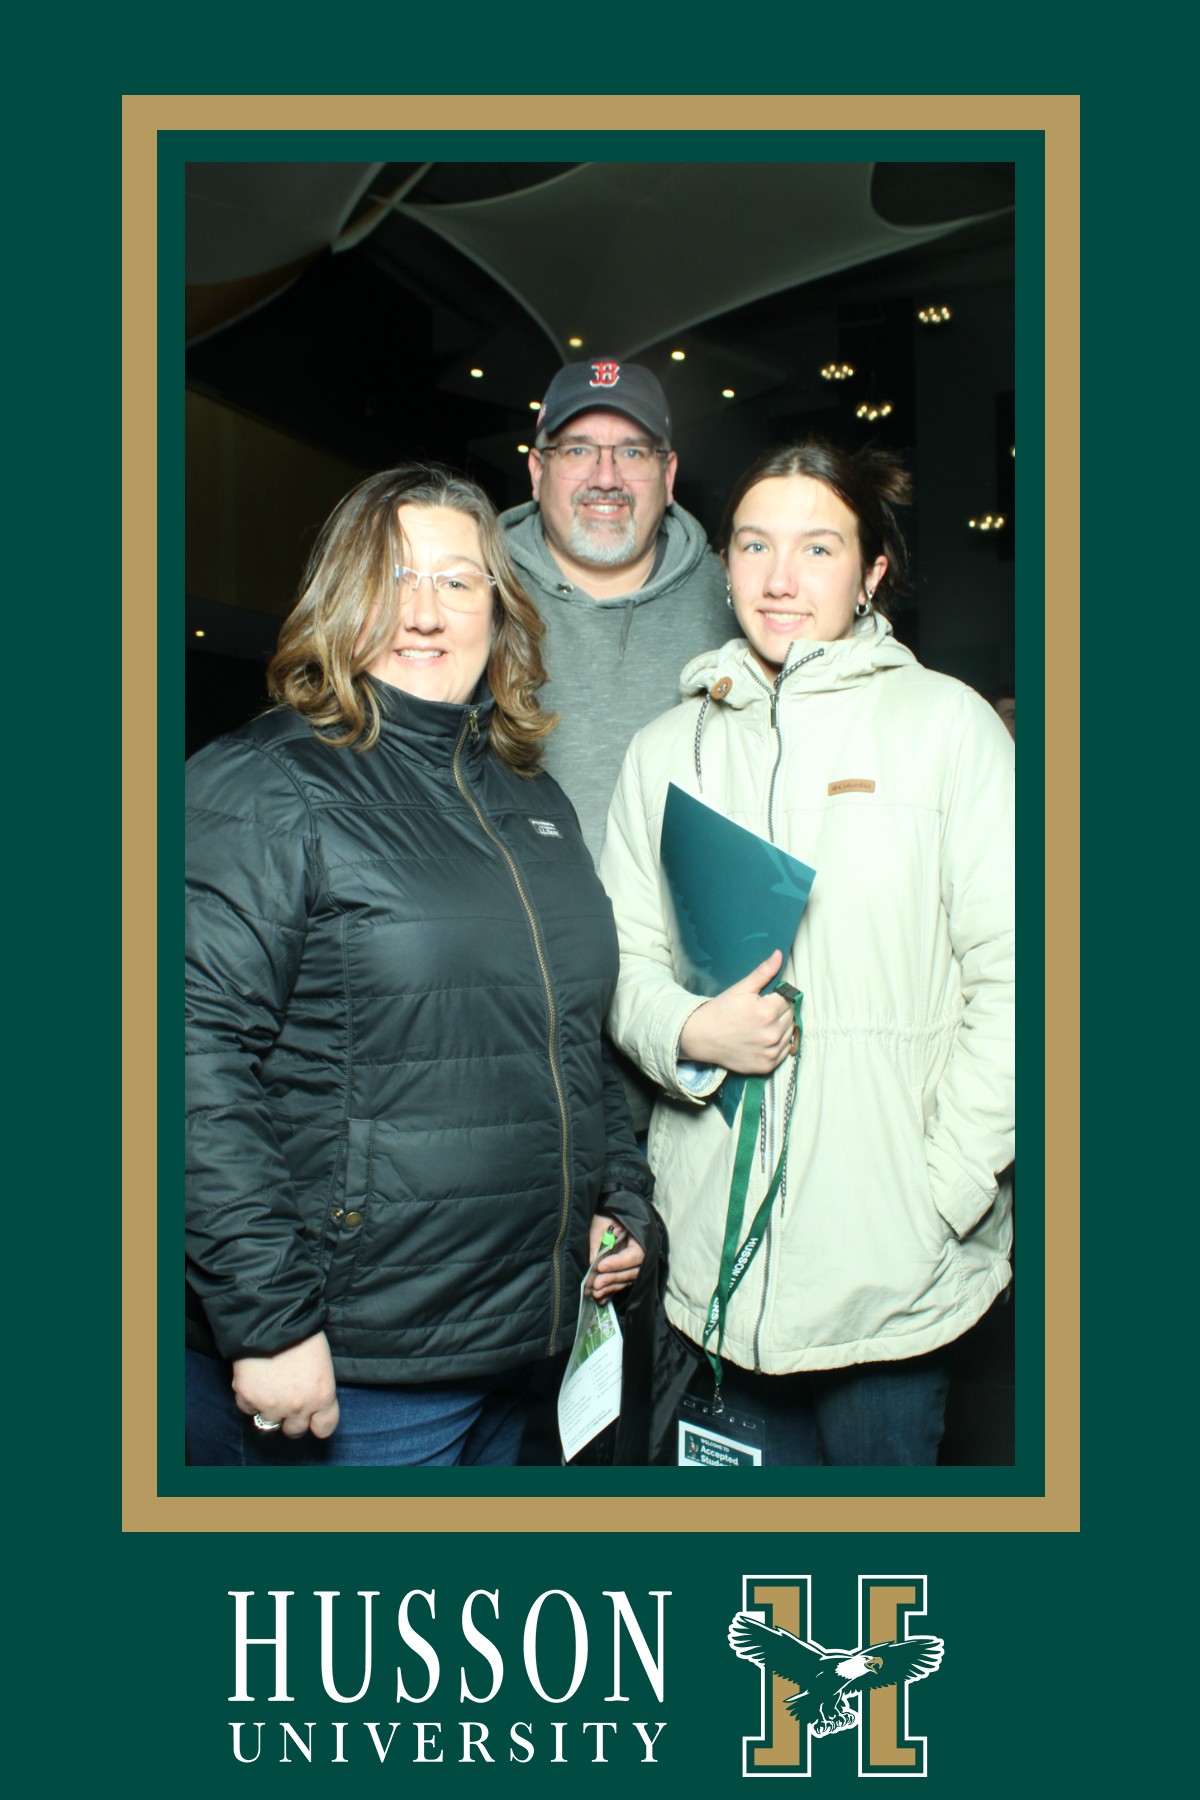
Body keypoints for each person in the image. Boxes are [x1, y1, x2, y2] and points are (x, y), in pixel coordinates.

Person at [185, 463, 651, 1467]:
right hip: (359, 1365)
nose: (426, 612)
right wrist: (268, 1321)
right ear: (339, 596)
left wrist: (620, 1202)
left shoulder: (535, 802)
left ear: (499, 608)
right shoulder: (262, 786)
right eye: (394, 576)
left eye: (458, 579)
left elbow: (574, 1033)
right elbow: (184, 1061)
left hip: (523, 1345)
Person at [600, 437, 1014, 1467]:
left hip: (894, 1269)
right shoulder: (668, 749)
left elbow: (1024, 980)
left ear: (872, 571)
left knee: (874, 1562)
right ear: (724, 565)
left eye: (818, 548)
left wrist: (944, 1190)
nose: (780, 579)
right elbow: (622, 962)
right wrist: (689, 1031)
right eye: (754, 545)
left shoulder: (948, 729)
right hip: (715, 1264)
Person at [501, 359, 730, 864]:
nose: (606, 478)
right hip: (512, 912)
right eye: (577, 450)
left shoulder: (740, 600)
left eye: (632, 451)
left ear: (668, 474)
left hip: (682, 911)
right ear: (537, 471)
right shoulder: (472, 592)